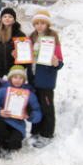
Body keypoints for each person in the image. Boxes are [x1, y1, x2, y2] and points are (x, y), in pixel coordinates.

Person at [27, 10, 64, 149]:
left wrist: (56, 63)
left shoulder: (53, 37)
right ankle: (35, 131)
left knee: (46, 107)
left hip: (46, 80)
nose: (39, 26)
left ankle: (47, 134)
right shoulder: (31, 38)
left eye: (42, 23)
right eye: (37, 23)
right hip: (33, 78)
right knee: (35, 106)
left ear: (47, 24)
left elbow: (60, 61)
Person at [0, 66, 42, 160]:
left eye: (20, 77)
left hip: (18, 125)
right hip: (3, 122)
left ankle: (11, 142)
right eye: (15, 77)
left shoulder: (29, 94)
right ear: (10, 78)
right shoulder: (2, 91)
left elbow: (38, 114)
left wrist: (30, 115)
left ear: (24, 79)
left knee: (14, 144)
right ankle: (3, 144)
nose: (17, 80)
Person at [0, 8, 26, 81]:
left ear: (14, 19)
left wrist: (18, 56)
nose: (7, 19)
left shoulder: (20, 36)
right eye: (5, 16)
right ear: (1, 19)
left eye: (10, 17)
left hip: (14, 74)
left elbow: (25, 59)